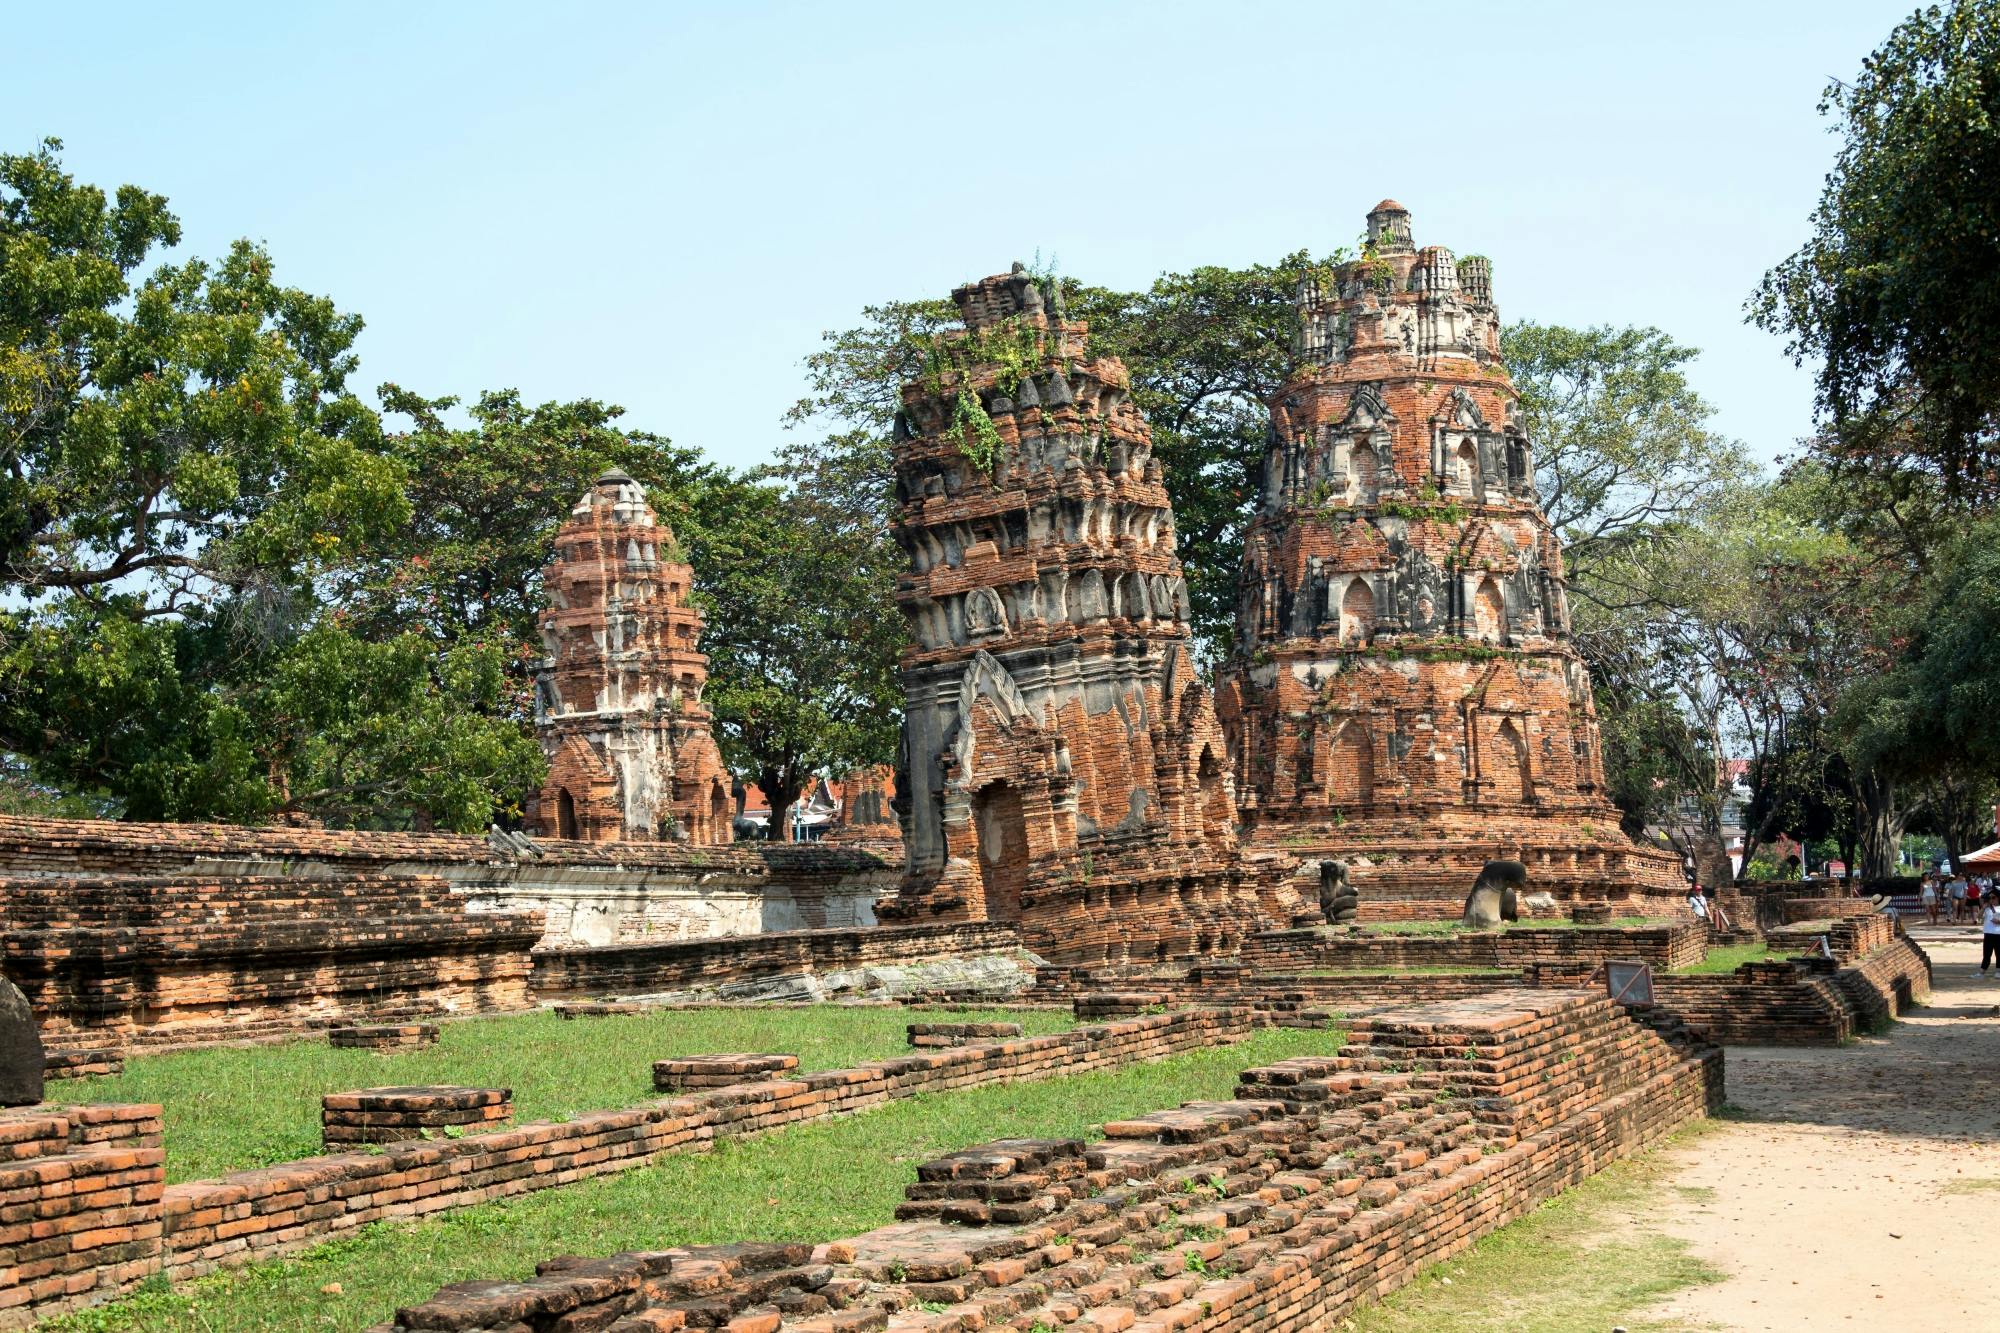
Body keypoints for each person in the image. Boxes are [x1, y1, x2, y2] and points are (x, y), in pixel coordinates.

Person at [1984, 891, 2000, 978]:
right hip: (1988, 933)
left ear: (1998, 898)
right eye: (1989, 898)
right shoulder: (1987, 909)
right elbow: (1978, 918)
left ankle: (1998, 972)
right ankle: (1981, 972)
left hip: (1998, 934)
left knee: (1999, 954)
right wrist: (1983, 908)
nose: (1991, 900)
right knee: (1986, 954)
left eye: (1993, 897)